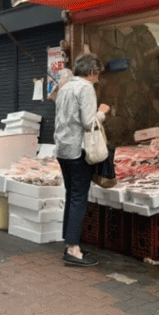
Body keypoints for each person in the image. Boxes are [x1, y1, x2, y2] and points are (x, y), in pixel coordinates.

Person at [54, 53, 110, 267]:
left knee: (71, 195)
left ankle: (70, 242)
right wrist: (102, 112)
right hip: (78, 151)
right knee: (79, 197)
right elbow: (89, 122)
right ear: (92, 72)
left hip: (62, 149)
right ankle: (73, 249)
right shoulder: (85, 88)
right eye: (97, 74)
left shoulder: (66, 87)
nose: (98, 78)